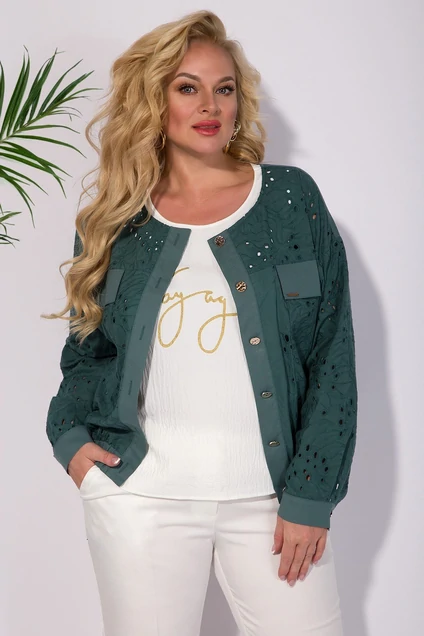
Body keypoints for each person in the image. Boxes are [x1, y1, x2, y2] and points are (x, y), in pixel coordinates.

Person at [43, 9, 358, 636]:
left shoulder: (290, 199)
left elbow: (331, 353)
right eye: (187, 87)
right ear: (153, 100)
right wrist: (70, 441)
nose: (210, 105)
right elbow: (87, 355)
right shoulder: (113, 222)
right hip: (138, 497)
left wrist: (311, 494)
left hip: (272, 501)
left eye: (224, 87)